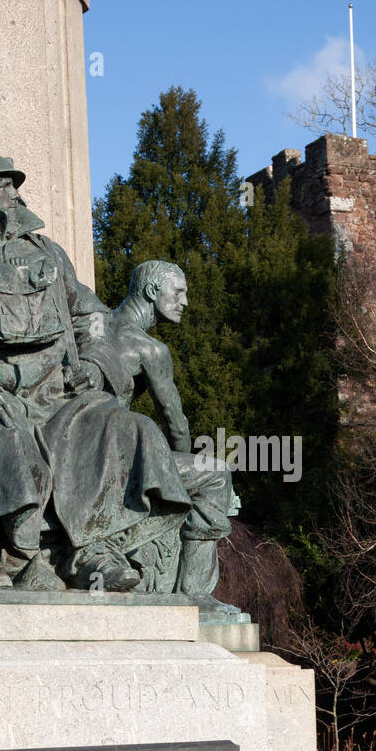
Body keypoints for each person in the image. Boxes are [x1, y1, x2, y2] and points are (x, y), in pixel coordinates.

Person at [0, 156, 193, 592]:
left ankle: (90, 551)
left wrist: (97, 366)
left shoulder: (49, 254)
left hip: (64, 396)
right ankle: (22, 560)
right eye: (6, 186)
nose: (16, 194)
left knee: (124, 427)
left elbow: (92, 319)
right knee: (8, 434)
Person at [106, 260, 240, 610]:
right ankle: (193, 592)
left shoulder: (94, 324)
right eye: (178, 292)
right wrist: (184, 474)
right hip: (112, 457)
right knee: (216, 474)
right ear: (152, 292)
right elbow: (175, 424)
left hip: (80, 445)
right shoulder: (150, 349)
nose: (185, 302)